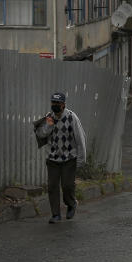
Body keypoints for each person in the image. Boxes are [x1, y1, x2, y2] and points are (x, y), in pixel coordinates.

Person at [34, 92, 87, 224]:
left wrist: (81, 159)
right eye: (53, 103)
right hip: (52, 159)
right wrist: (49, 125)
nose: (55, 105)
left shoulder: (71, 117)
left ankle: (71, 203)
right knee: (52, 186)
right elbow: (40, 135)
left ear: (63, 104)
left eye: (58, 103)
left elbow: (80, 139)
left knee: (67, 185)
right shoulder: (49, 117)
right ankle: (56, 214)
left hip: (69, 158)